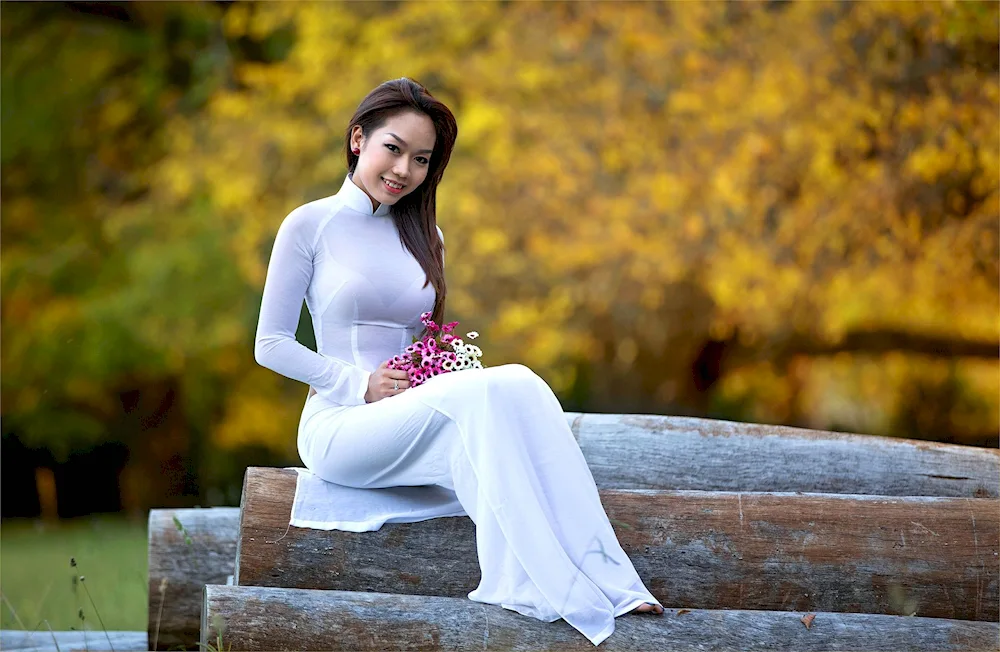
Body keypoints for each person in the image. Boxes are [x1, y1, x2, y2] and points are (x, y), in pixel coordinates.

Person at [254, 77, 663, 646]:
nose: (403, 170)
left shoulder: (427, 236)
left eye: (421, 160)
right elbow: (269, 344)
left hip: (408, 418)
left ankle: (607, 579)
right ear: (357, 140)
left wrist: (435, 371)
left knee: (517, 385)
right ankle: (543, 585)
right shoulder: (310, 224)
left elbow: (423, 344)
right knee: (493, 390)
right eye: (392, 149)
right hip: (341, 424)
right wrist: (357, 383)